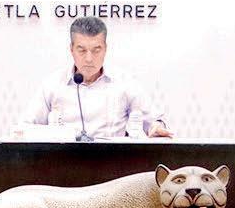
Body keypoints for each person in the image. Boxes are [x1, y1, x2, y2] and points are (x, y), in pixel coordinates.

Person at [20, 17, 173, 140]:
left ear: (105, 49)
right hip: (62, 162)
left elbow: (155, 122)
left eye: (96, 50)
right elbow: (25, 128)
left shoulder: (125, 83)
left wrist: (156, 127)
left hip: (113, 164)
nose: (89, 58)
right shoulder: (52, 84)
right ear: (71, 49)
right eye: (82, 50)